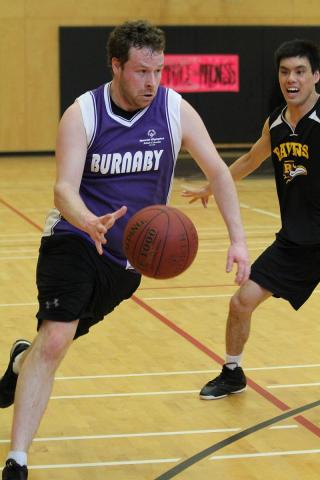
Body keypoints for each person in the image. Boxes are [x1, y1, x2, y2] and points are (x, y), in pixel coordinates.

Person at [0, 20, 249, 479]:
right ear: (116, 66)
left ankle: (20, 359)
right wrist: (87, 221)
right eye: (141, 71)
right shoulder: (83, 114)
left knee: (54, 340)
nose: (152, 81)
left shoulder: (175, 111)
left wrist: (238, 239)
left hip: (131, 260)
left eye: (158, 70)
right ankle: (17, 460)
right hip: (75, 240)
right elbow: (63, 190)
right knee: (56, 337)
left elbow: (217, 170)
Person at [182, 38, 320, 400]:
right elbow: (249, 160)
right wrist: (212, 187)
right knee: (241, 302)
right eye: (285, 72)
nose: (292, 79)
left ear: (315, 76)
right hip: (296, 242)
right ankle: (232, 373)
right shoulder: (275, 122)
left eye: (300, 72)